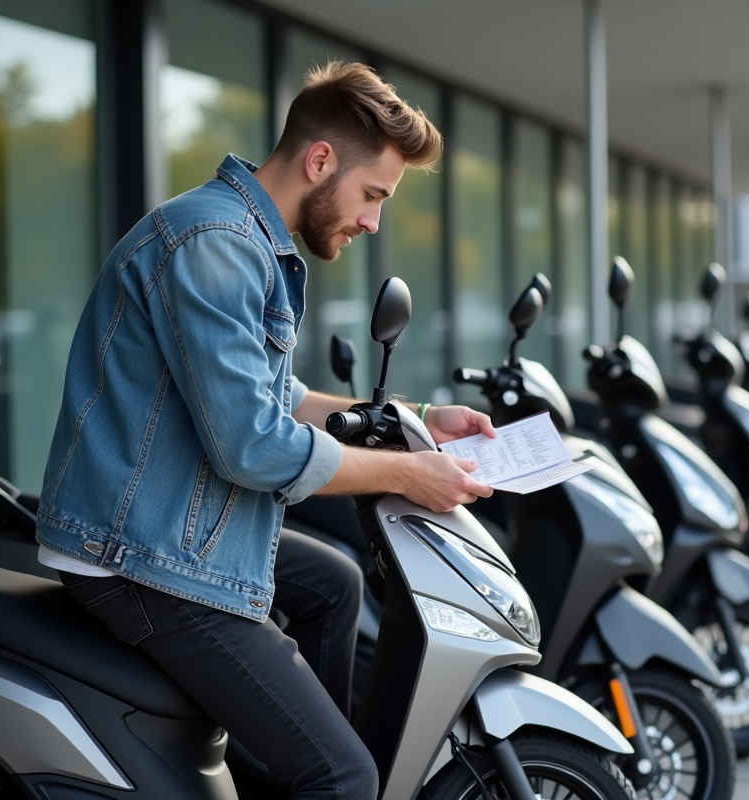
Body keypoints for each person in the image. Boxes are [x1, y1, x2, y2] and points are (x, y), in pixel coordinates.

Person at [34, 61, 496, 799]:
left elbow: (283, 399)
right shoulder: (216, 242)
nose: (373, 221)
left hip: (172, 521)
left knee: (335, 584)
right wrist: (411, 474)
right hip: (138, 553)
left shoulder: (247, 237)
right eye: (373, 194)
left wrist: (412, 420)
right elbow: (254, 447)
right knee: (344, 776)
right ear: (321, 161)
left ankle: (288, 766)